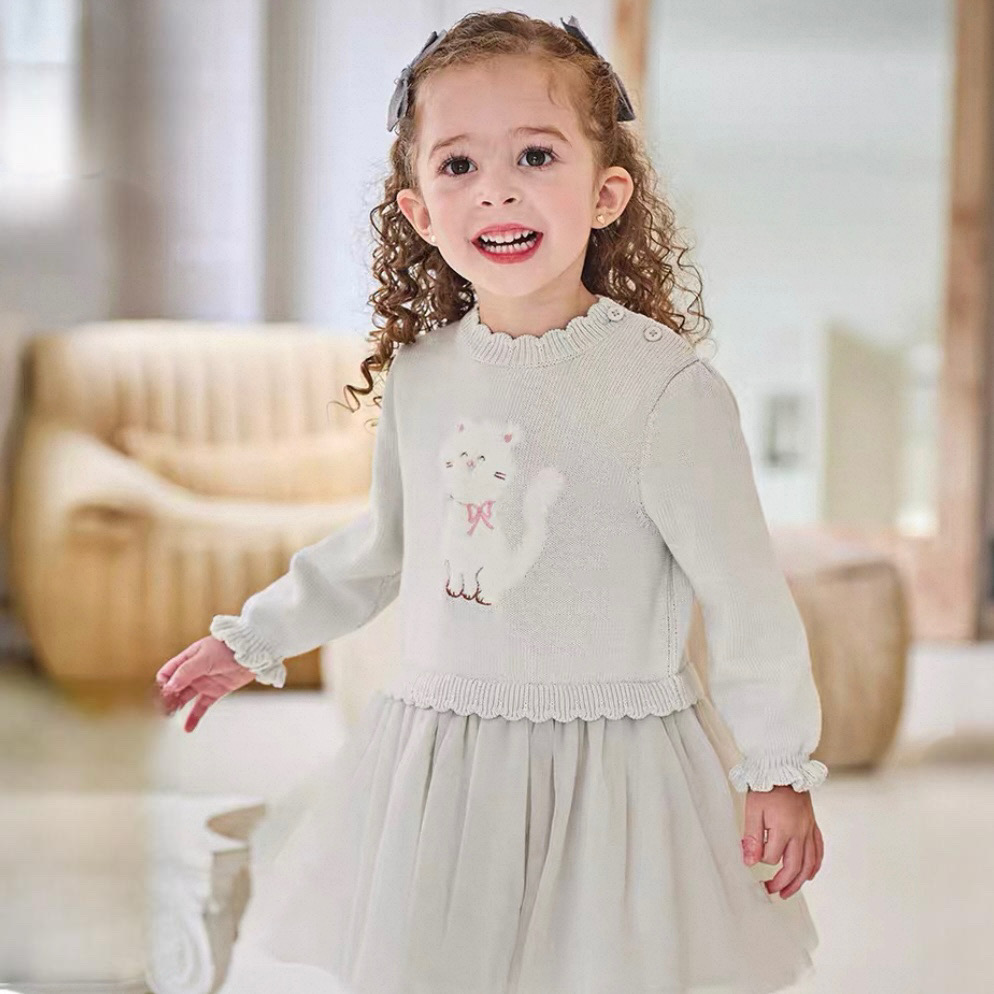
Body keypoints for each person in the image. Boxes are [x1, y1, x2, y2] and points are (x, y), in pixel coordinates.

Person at [155, 11, 828, 994]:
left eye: (535, 155)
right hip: (444, 761)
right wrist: (257, 635)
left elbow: (744, 593)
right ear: (420, 212)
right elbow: (384, 547)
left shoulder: (664, 389)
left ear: (605, 194)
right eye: (459, 164)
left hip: (611, 768)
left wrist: (774, 764)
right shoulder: (423, 375)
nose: (497, 188)